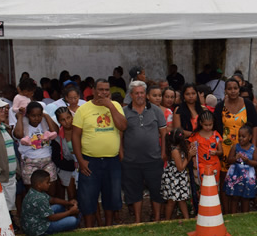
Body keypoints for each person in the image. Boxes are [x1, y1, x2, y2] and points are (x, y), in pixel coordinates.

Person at [72, 79, 127, 228]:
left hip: (112, 160)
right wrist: (80, 160)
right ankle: (89, 227)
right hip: (90, 161)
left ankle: (108, 226)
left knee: (111, 196)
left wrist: (110, 106)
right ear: (93, 91)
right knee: (88, 197)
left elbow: (123, 126)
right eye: (100, 89)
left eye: (106, 90)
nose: (104, 93)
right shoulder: (83, 109)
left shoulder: (115, 106)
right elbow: (75, 136)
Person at [120, 81, 165, 224]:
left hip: (153, 159)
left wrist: (163, 154)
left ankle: (156, 218)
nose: (139, 95)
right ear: (131, 95)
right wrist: (122, 155)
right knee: (134, 191)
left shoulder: (156, 110)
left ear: (145, 94)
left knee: (156, 190)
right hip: (131, 161)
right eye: (136, 93)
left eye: (142, 93)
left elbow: (163, 134)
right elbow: (119, 136)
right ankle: (138, 220)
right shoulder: (124, 112)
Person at [213, 78, 257, 197]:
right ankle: (226, 206)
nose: (233, 91)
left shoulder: (248, 105)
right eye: (229, 89)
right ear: (225, 91)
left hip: (245, 147)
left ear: (239, 89)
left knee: (245, 177)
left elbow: (255, 126)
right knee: (226, 178)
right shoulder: (220, 106)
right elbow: (216, 129)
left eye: (235, 88)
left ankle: (243, 204)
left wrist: (253, 147)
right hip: (226, 147)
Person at [13, 101, 59, 189]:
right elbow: (18, 135)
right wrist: (20, 117)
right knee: (32, 190)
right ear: (27, 115)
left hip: (47, 161)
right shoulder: (23, 125)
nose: (36, 118)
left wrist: (46, 116)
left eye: (39, 115)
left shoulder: (44, 123)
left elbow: (55, 131)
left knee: (51, 188)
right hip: (30, 163)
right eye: (33, 116)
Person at [21, 169, 79, 236]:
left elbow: (52, 200)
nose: (49, 184)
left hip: (33, 222)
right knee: (73, 221)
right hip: (38, 229)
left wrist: (69, 203)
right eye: (47, 182)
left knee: (59, 207)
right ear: (39, 185)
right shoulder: (40, 198)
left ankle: (64, 218)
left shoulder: (34, 191)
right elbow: (52, 218)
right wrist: (70, 212)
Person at [161, 128, 196, 221]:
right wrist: (189, 155)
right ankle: (167, 220)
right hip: (174, 177)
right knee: (172, 201)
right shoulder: (175, 151)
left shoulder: (179, 148)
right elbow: (180, 167)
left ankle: (187, 219)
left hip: (179, 177)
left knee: (182, 200)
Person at [224, 124, 257, 213]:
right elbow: (229, 160)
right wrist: (235, 158)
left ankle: (245, 215)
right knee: (234, 197)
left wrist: (248, 161)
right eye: (239, 136)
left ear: (250, 137)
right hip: (235, 174)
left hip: (247, 177)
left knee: (246, 198)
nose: (240, 138)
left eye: (243, 136)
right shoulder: (235, 147)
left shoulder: (253, 148)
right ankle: (233, 214)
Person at [189, 111, 223, 185]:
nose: (208, 127)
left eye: (210, 125)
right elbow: (191, 150)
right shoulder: (195, 136)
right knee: (204, 185)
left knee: (214, 185)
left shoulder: (216, 135)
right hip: (201, 166)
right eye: (206, 125)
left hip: (215, 165)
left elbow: (221, 152)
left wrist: (216, 152)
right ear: (201, 123)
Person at [51, 107, 77, 201]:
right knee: (71, 195)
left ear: (72, 117)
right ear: (59, 121)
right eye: (63, 120)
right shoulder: (57, 137)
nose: (67, 122)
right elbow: (56, 158)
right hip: (67, 167)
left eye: (68, 118)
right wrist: (72, 165)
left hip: (82, 164)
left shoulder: (80, 130)